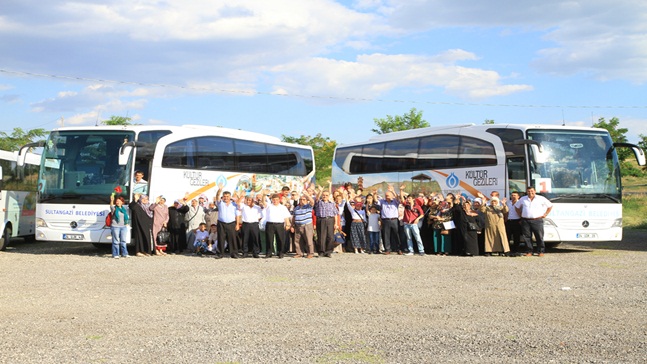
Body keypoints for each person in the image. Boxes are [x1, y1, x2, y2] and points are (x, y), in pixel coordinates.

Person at [515, 186, 553, 257]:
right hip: (525, 220)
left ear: (535, 191)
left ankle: (540, 251)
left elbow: (550, 206)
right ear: (526, 192)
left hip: (537, 220)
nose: (530, 192)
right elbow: (517, 207)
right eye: (528, 191)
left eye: (532, 191)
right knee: (527, 237)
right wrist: (520, 215)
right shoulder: (523, 199)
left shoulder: (541, 198)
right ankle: (529, 251)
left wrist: (545, 214)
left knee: (539, 236)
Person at [314, 182, 339, 258]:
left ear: (329, 196)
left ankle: (328, 251)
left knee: (330, 237)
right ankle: (321, 252)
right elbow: (317, 197)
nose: (325, 196)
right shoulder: (319, 202)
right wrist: (320, 191)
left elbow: (335, 213)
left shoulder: (332, 203)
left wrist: (336, 223)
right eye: (323, 195)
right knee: (321, 236)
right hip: (321, 220)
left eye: (326, 195)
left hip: (330, 220)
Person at [374, 184, 401, 255]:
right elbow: (376, 200)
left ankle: (399, 249)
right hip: (385, 220)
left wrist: (393, 191)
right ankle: (387, 249)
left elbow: (398, 198)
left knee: (396, 235)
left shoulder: (395, 201)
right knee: (386, 236)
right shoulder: (382, 201)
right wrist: (374, 194)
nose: (387, 197)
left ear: (392, 196)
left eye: (388, 195)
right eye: (386, 195)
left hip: (394, 220)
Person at [264, 193, 292, 258]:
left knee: (280, 239)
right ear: (271, 200)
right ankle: (269, 253)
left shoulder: (283, 207)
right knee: (269, 239)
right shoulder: (269, 206)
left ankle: (280, 252)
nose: (275, 201)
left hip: (279, 224)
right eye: (273, 200)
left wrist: (287, 224)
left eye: (276, 200)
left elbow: (286, 216)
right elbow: (263, 202)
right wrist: (264, 195)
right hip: (270, 224)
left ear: (279, 200)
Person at [215, 185, 239, 259]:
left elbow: (237, 215)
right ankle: (220, 254)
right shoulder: (220, 203)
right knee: (221, 238)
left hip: (231, 223)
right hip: (221, 223)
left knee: (232, 239)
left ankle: (233, 253)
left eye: (227, 196)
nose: (226, 198)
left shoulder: (234, 204)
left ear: (230, 197)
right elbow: (217, 196)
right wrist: (219, 190)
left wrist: (237, 224)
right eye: (224, 196)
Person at [400, 191, 425, 256]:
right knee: (409, 238)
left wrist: (417, 219)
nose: (408, 199)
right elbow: (402, 199)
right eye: (408, 198)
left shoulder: (417, 206)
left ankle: (421, 250)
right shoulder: (406, 204)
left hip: (414, 224)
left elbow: (422, 214)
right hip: (407, 223)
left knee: (417, 237)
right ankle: (411, 251)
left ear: (413, 199)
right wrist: (401, 190)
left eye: (410, 198)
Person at [291, 192, 315, 258]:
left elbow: (312, 201)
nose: (302, 201)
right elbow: (294, 217)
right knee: (297, 240)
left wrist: (307, 195)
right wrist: (292, 226)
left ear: (307, 200)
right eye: (301, 199)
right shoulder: (296, 208)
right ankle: (299, 253)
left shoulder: (308, 206)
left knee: (308, 240)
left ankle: (310, 253)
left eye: (304, 199)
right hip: (298, 225)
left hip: (307, 225)